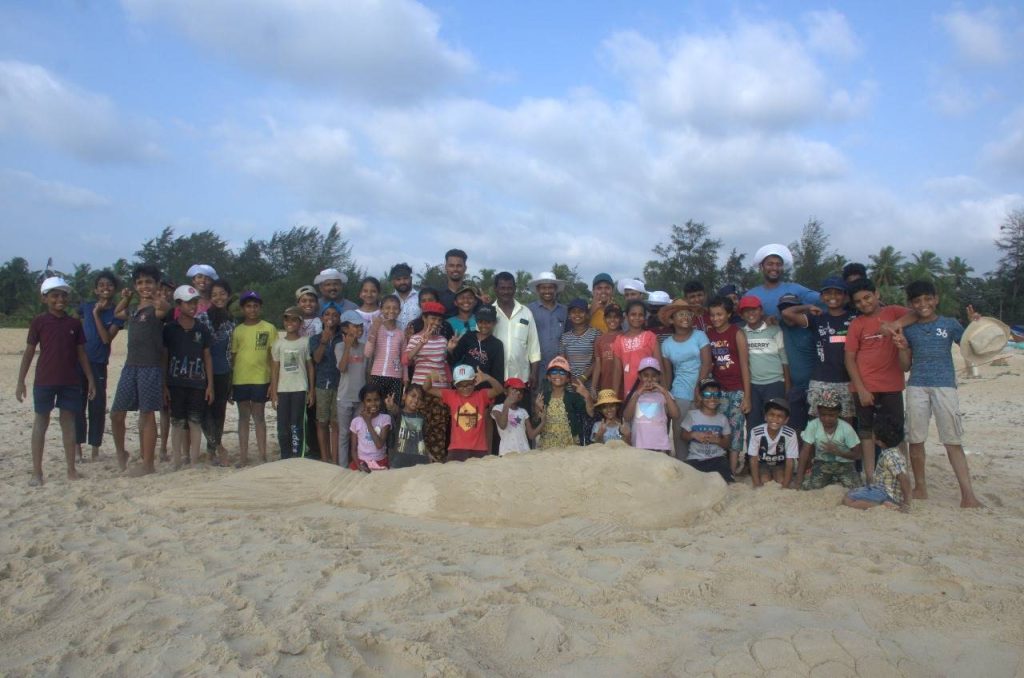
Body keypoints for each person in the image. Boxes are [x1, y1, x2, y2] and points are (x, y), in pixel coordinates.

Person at [895, 280, 983, 507]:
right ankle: (920, 487)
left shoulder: (950, 324)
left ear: (936, 299)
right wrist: (902, 346)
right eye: (917, 300)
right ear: (911, 304)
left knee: (952, 439)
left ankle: (968, 495)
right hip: (916, 386)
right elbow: (905, 366)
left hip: (945, 386)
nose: (923, 304)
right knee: (915, 439)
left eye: (927, 299)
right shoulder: (909, 329)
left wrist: (976, 326)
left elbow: (970, 346)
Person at [16, 276, 95, 485]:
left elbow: (81, 354)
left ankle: (71, 469)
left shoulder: (74, 323)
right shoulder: (39, 322)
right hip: (44, 380)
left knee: (68, 424)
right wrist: (20, 380)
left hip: (70, 381)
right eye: (54, 295)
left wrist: (90, 379)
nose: (60, 299)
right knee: (41, 422)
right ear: (45, 298)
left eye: (63, 295)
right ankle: (36, 472)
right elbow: (29, 352)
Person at [844, 278, 909, 483]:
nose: (864, 303)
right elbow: (849, 359)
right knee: (866, 432)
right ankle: (870, 475)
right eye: (858, 301)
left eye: (867, 297)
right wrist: (861, 389)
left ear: (877, 294)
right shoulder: (857, 324)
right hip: (864, 386)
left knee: (896, 431)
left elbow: (918, 314)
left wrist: (895, 324)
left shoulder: (893, 312)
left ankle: (902, 475)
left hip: (891, 385)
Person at [110, 264, 169, 475]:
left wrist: (157, 298)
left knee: (146, 415)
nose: (145, 286)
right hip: (130, 366)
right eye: (140, 282)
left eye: (149, 282)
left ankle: (148, 464)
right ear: (135, 286)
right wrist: (125, 298)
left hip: (150, 367)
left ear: (156, 284)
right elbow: (117, 312)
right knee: (116, 413)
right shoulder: (134, 309)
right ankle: (121, 452)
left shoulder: (157, 307)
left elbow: (164, 310)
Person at [781, 278, 856, 423]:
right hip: (820, 380)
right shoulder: (817, 318)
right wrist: (808, 307)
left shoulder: (854, 318)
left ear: (846, 296)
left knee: (847, 427)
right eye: (828, 293)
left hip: (847, 380)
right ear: (821, 297)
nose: (833, 297)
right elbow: (787, 313)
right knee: (816, 426)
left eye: (838, 293)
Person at [74, 270, 124, 462]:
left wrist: (96, 314)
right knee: (78, 405)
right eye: (101, 285)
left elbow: (105, 338)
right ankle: (77, 449)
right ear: (96, 289)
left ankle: (95, 449)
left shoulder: (117, 313)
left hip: (98, 363)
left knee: (97, 406)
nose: (105, 288)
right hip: (79, 361)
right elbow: (74, 323)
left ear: (114, 289)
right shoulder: (85, 306)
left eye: (109, 285)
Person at [162, 285, 214, 469]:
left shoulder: (202, 329)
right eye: (188, 303)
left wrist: (210, 385)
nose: (193, 306)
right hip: (175, 383)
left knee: (195, 421)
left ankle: (193, 460)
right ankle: (176, 459)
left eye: (195, 302)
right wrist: (164, 384)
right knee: (177, 422)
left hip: (197, 383)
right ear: (178, 304)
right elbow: (164, 357)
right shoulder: (169, 329)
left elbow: (207, 356)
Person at [658, 299, 711, 458]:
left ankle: (702, 466)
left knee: (702, 431)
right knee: (680, 433)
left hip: (702, 391)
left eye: (688, 314)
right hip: (679, 392)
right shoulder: (666, 344)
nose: (686, 317)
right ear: (672, 319)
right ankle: (683, 464)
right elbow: (667, 373)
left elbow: (706, 364)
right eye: (681, 314)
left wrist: (698, 389)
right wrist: (666, 396)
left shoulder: (700, 336)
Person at [231, 290, 277, 466]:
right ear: (243, 308)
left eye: (255, 306)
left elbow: (273, 358)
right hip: (240, 379)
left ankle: (263, 455)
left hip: (260, 378)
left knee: (259, 417)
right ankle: (243, 456)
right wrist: (230, 382)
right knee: (243, 417)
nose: (252, 309)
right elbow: (234, 357)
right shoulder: (238, 330)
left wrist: (273, 382)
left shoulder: (269, 328)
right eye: (248, 306)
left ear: (260, 307)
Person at [706, 296, 751, 475]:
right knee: (719, 428)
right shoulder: (709, 335)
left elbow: (744, 365)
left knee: (736, 429)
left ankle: (732, 470)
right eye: (712, 315)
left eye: (720, 314)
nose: (716, 318)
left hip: (737, 389)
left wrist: (747, 396)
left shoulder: (737, 333)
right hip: (718, 390)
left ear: (729, 314)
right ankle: (720, 466)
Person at [404, 301, 451, 462]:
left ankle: (437, 463)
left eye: (439, 320)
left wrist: (450, 350)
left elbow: (443, 365)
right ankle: (416, 462)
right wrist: (421, 343)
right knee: (417, 430)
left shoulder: (443, 340)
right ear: (424, 318)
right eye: (432, 318)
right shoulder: (415, 338)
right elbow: (406, 360)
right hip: (419, 392)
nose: (436, 322)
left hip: (439, 392)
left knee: (438, 431)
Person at [426, 364, 503, 462]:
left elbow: (499, 390)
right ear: (455, 384)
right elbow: (427, 389)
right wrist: (429, 377)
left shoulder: (482, 395)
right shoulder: (451, 395)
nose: (465, 388)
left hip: (479, 449)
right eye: (460, 385)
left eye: (469, 384)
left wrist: (488, 378)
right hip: (456, 450)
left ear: (474, 382)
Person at [739, 295, 789, 435]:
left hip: (775, 383)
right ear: (741, 315)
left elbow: (784, 359)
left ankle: (774, 455)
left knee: (774, 422)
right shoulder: (741, 333)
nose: (751, 313)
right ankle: (752, 456)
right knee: (753, 423)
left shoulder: (774, 329)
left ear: (761, 311)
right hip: (753, 385)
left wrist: (787, 386)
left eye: (754, 309)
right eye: (746, 311)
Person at [794, 387, 861, 490]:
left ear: (838, 413)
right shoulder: (813, 425)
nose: (827, 418)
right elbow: (805, 452)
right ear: (818, 412)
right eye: (823, 415)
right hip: (822, 463)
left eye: (831, 415)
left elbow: (857, 454)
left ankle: (834, 480)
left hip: (844, 464)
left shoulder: (846, 428)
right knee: (811, 487)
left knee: (854, 488)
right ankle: (832, 480)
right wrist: (799, 478)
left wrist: (839, 452)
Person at [198, 278, 234, 466]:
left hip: (224, 371)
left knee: (219, 412)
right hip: (203, 371)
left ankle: (211, 451)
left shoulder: (231, 320)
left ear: (228, 295)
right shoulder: (202, 318)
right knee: (204, 411)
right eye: (214, 295)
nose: (218, 297)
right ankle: (218, 445)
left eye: (222, 294)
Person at [271, 306, 315, 460]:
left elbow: (310, 367)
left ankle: (297, 455)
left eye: (294, 319)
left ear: (300, 323)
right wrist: (273, 392)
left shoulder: (305, 342)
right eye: (287, 319)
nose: (290, 322)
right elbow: (275, 369)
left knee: (297, 425)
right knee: (282, 426)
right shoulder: (278, 344)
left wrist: (311, 391)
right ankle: (285, 455)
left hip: (300, 388)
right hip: (283, 389)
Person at [842, 414, 911, 512]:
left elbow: (904, 478)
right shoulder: (895, 452)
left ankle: (881, 505)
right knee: (853, 492)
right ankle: (883, 503)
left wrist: (907, 503)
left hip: (884, 493)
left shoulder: (890, 457)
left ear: (879, 441)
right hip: (889, 492)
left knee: (848, 500)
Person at [775, 292, 817, 434]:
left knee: (815, 429)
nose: (787, 314)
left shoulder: (809, 325)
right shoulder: (781, 326)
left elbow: (788, 313)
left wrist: (808, 307)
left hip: (815, 386)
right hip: (795, 388)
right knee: (794, 429)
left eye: (793, 308)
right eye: (784, 310)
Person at [492, 271, 541, 388]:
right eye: (502, 288)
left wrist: (534, 373)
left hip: (521, 378)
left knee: (521, 407)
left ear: (515, 289)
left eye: (509, 288)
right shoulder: (489, 312)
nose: (506, 292)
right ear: (495, 289)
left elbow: (533, 347)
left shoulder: (526, 313)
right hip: (494, 378)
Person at [533, 357, 594, 449]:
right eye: (554, 372)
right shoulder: (543, 397)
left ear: (568, 379)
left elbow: (590, 414)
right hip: (547, 444)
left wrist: (587, 396)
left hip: (569, 445)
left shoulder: (574, 397)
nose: (558, 375)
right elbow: (536, 422)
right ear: (549, 377)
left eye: (562, 372)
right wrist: (537, 408)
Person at [680, 378, 734, 483]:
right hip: (695, 459)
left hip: (717, 459)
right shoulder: (692, 415)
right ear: (700, 396)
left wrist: (718, 440)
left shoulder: (722, 418)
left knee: (728, 483)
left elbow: (727, 443)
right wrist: (693, 435)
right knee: (689, 482)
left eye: (716, 395)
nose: (712, 398)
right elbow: (683, 435)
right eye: (707, 394)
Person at [746, 244, 819, 320]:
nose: (774, 268)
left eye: (779, 264)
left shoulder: (796, 289)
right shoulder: (750, 295)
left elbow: (824, 300)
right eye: (770, 264)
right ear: (761, 267)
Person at [623, 357, 679, 454]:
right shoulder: (635, 395)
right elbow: (627, 417)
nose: (650, 379)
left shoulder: (664, 395)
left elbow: (675, 415)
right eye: (646, 375)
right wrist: (637, 394)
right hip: (640, 445)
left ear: (659, 377)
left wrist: (665, 392)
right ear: (640, 377)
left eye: (654, 376)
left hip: (660, 445)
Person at [310, 305, 343, 464]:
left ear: (339, 318)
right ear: (322, 318)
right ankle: (325, 457)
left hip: (339, 384)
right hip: (322, 384)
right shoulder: (315, 339)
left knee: (335, 423)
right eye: (327, 314)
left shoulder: (342, 338)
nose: (331, 317)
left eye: (335, 315)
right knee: (322, 422)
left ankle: (335, 459)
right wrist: (323, 342)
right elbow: (316, 359)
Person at [335, 310, 367, 467]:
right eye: (356, 326)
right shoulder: (339, 347)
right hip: (345, 397)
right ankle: (342, 466)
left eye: (361, 326)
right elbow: (342, 368)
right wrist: (347, 347)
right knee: (344, 434)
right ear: (346, 328)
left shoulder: (364, 347)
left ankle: (358, 463)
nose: (359, 330)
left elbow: (367, 372)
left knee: (359, 433)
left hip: (361, 399)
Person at [613, 300, 663, 397]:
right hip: (629, 392)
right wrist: (613, 396)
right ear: (626, 317)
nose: (637, 317)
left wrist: (663, 392)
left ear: (645, 318)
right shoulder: (619, 340)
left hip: (651, 391)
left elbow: (659, 366)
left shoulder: (650, 337)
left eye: (640, 315)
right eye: (633, 314)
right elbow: (617, 371)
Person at [364, 294, 407, 405]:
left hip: (396, 378)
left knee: (392, 408)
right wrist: (374, 329)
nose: (391, 311)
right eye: (387, 307)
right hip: (377, 376)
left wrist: (405, 377)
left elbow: (404, 358)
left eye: (395, 308)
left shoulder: (401, 334)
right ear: (381, 309)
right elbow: (367, 353)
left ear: (399, 310)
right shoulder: (376, 329)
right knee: (376, 408)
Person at [747, 398, 799, 488]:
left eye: (780, 416)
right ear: (765, 416)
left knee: (781, 480)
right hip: (763, 464)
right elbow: (753, 459)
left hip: (780, 464)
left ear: (786, 420)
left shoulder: (790, 434)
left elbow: (790, 461)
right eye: (771, 415)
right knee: (764, 481)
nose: (775, 419)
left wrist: (785, 487)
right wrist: (756, 484)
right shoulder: (756, 432)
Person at [450, 304, 505, 385]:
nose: (483, 326)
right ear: (476, 321)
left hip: (485, 389)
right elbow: (453, 360)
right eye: (480, 322)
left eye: (488, 322)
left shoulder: (497, 345)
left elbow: (498, 373)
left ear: (494, 322)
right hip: (466, 385)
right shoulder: (468, 337)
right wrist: (450, 349)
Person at [528, 271, 568, 374]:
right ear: (538, 289)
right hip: (536, 367)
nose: (547, 291)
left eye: (550, 287)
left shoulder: (564, 311)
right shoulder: (529, 310)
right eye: (543, 288)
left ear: (555, 289)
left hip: (559, 366)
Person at [349, 384, 391, 472]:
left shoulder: (385, 419)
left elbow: (379, 445)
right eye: (368, 400)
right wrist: (359, 466)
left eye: (376, 400)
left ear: (381, 400)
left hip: (380, 462)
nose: (373, 404)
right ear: (363, 402)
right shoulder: (356, 421)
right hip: (361, 462)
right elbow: (353, 450)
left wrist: (368, 422)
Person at [385, 384, 428, 467]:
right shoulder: (399, 414)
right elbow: (395, 410)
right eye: (413, 396)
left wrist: (428, 454)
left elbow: (422, 440)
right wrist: (391, 406)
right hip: (399, 461)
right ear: (404, 396)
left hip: (420, 461)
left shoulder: (422, 418)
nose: (416, 400)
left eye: (419, 399)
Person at [491, 378, 538, 454]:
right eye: (514, 390)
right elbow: (502, 425)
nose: (518, 393)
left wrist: (543, 421)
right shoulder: (497, 408)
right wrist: (506, 405)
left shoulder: (523, 412)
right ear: (505, 391)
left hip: (524, 451)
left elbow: (531, 435)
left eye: (521, 391)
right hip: (506, 452)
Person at [559, 298, 600, 381]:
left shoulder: (595, 333)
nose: (577, 315)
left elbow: (597, 360)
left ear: (587, 314)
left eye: (581, 311)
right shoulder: (565, 337)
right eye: (573, 312)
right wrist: (571, 379)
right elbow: (562, 361)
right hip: (569, 383)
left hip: (589, 384)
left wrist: (583, 378)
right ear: (569, 316)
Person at [591, 303, 623, 397]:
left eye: (616, 317)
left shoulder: (625, 337)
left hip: (623, 387)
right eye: (609, 317)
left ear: (621, 319)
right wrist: (593, 386)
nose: (612, 320)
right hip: (605, 386)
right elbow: (598, 365)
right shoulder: (599, 340)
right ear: (604, 319)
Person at [438, 249, 478, 317]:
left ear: (465, 268)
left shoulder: (475, 295)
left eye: (459, 266)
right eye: (451, 265)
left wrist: (485, 303)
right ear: (446, 267)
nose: (455, 269)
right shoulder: (437, 295)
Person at [389, 262, 421, 331]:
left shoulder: (420, 298)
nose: (402, 282)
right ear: (393, 281)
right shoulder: (388, 301)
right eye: (398, 279)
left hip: (418, 341)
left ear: (411, 278)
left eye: (405, 278)